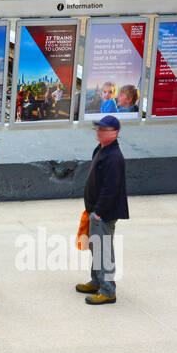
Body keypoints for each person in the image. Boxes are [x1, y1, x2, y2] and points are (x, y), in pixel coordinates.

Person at [75, 114, 127, 305]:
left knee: (103, 249)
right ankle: (97, 281)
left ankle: (108, 290)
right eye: (98, 128)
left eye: (104, 129)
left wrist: (98, 211)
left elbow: (110, 188)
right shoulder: (102, 149)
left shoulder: (113, 157)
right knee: (95, 247)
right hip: (95, 211)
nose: (99, 131)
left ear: (115, 133)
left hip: (103, 213)